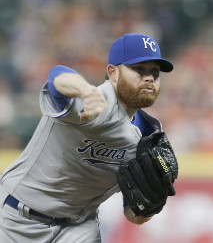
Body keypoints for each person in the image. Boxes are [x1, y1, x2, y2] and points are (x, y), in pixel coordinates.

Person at [0, 33, 174, 242]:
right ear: (113, 73)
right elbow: (57, 78)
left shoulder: (149, 133)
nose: (149, 78)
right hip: (16, 218)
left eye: (155, 72)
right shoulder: (95, 101)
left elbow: (134, 216)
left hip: (78, 227)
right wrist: (84, 89)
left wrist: (150, 206)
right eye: (139, 69)